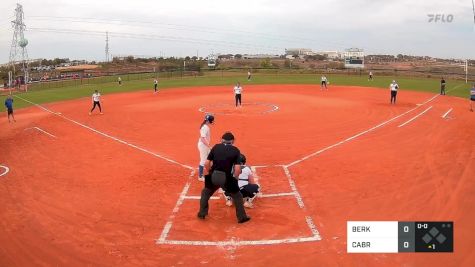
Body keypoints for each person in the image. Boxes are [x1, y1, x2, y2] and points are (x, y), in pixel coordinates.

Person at [197, 132, 251, 224]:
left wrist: (210, 173)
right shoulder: (235, 150)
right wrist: (235, 179)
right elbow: (237, 169)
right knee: (237, 196)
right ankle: (242, 217)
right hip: (227, 178)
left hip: (214, 174)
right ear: (232, 141)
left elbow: (206, 163)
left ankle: (202, 213)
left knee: (205, 193)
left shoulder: (215, 147)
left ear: (221, 140)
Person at [197, 114, 214, 181]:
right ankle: (200, 177)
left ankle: (212, 173)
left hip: (205, 145)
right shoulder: (205, 127)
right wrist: (209, 146)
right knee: (203, 160)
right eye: (212, 121)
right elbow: (202, 138)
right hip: (203, 146)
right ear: (208, 121)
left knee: (211, 158)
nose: (212, 122)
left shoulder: (205, 126)